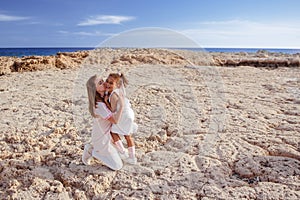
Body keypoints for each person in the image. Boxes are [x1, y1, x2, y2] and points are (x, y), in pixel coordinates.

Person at [82, 75, 125, 170]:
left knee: (122, 156)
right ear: (95, 89)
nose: (105, 83)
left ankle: (95, 149)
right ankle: (92, 151)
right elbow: (115, 120)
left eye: (103, 80)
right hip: (101, 139)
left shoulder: (104, 96)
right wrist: (121, 106)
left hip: (107, 136)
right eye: (100, 83)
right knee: (117, 166)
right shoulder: (99, 105)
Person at [105, 72, 138, 164]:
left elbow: (113, 109)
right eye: (107, 81)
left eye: (111, 83)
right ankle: (132, 157)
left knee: (112, 131)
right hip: (129, 114)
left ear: (117, 85)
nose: (107, 84)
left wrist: (105, 101)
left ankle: (122, 152)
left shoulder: (113, 95)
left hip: (123, 115)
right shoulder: (120, 90)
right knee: (128, 135)